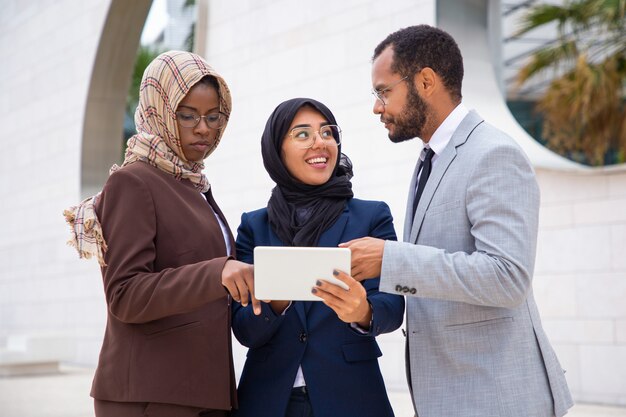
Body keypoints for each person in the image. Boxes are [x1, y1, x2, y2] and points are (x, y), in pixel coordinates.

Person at [340, 25, 574, 417]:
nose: (377, 107)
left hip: (497, 399)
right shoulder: (429, 159)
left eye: (384, 92)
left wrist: (390, 260)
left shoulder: (492, 153)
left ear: (426, 81)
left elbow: (508, 277)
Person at [63, 50, 261, 417]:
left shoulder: (192, 184)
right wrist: (216, 272)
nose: (204, 128)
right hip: (150, 395)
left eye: (213, 116)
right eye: (187, 115)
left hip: (201, 391)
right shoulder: (133, 181)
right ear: (160, 110)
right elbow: (125, 295)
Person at [231, 98, 405, 417]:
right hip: (269, 400)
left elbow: (394, 308)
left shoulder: (372, 216)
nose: (319, 142)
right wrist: (274, 302)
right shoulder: (254, 226)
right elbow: (244, 330)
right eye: (302, 134)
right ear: (276, 148)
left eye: (327, 132)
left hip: (351, 396)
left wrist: (363, 310)